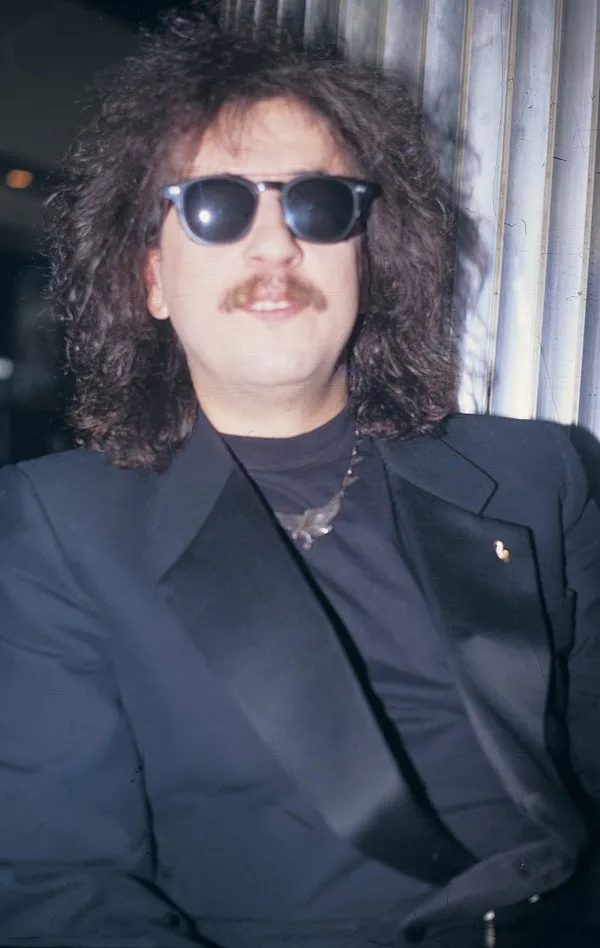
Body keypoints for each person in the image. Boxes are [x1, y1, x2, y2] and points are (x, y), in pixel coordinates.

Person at [0, 6, 599, 947]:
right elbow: (61, 886)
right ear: (151, 281)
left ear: (368, 257)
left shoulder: (539, 476)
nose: (277, 244)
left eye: (318, 205)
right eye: (217, 205)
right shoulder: (55, 530)